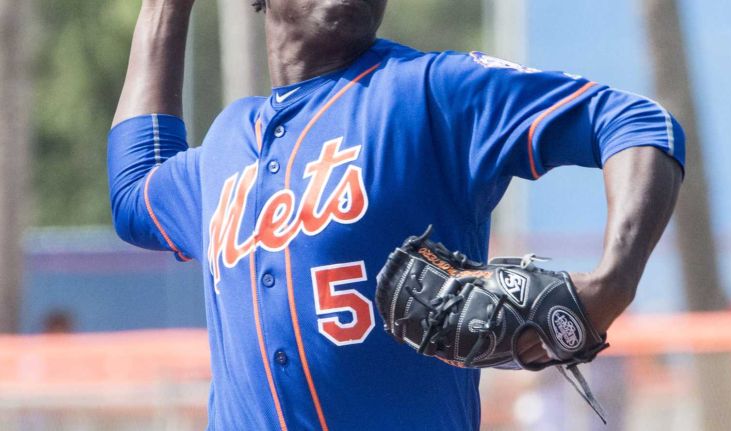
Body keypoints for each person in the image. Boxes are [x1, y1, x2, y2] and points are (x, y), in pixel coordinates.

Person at [108, 0, 684, 429]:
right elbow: (136, 193)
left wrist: (614, 281)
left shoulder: (432, 90)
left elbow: (635, 123)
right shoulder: (229, 143)